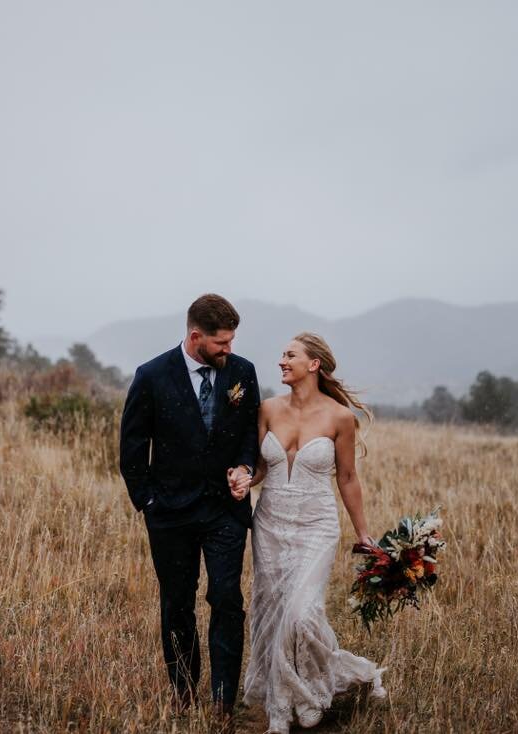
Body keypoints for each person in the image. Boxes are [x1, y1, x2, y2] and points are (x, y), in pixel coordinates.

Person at [118, 294, 261, 722]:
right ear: (195, 336)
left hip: (225, 510)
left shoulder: (243, 373)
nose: (228, 350)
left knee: (226, 599)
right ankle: (182, 691)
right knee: (177, 603)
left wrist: (246, 466)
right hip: (170, 514)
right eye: (220, 343)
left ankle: (221, 700)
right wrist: (147, 501)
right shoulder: (152, 375)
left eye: (232, 341)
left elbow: (249, 434)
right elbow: (132, 445)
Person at [241, 332, 385, 734]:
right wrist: (242, 478)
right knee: (272, 614)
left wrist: (364, 533)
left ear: (314, 364)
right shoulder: (267, 408)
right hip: (269, 523)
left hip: (316, 527)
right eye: (282, 355)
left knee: (303, 613)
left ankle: (322, 685)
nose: (281, 361)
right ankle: (278, 710)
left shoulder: (339, 418)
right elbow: (260, 468)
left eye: (290, 356)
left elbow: (348, 477)